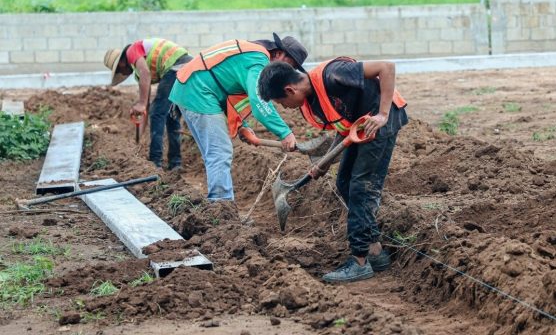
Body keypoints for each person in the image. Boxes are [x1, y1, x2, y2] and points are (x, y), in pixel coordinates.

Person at [257, 56, 408, 283]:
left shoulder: (334, 74)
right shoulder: (313, 98)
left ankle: (359, 261)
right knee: (344, 183)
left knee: (361, 188)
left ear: (290, 90)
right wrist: (324, 163)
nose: (285, 108)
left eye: (281, 102)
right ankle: (375, 251)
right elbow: (343, 127)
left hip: (380, 125)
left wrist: (382, 114)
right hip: (359, 128)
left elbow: (387, 67)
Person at [168, 34, 307, 202]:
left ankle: (220, 204)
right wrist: (285, 133)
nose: (284, 74)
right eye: (287, 65)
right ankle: (221, 206)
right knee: (219, 152)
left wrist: (242, 126)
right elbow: (258, 99)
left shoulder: (253, 53)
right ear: (278, 54)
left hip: (193, 88)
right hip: (198, 91)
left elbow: (228, 91)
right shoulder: (258, 60)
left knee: (215, 153)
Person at [103, 38, 192, 170]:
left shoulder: (132, 51)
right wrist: (139, 133)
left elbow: (145, 74)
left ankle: (155, 162)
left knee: (157, 113)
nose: (122, 74)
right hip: (186, 66)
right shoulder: (141, 71)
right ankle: (175, 163)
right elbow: (146, 107)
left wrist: (141, 103)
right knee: (170, 116)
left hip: (176, 66)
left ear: (122, 63)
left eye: (119, 71)